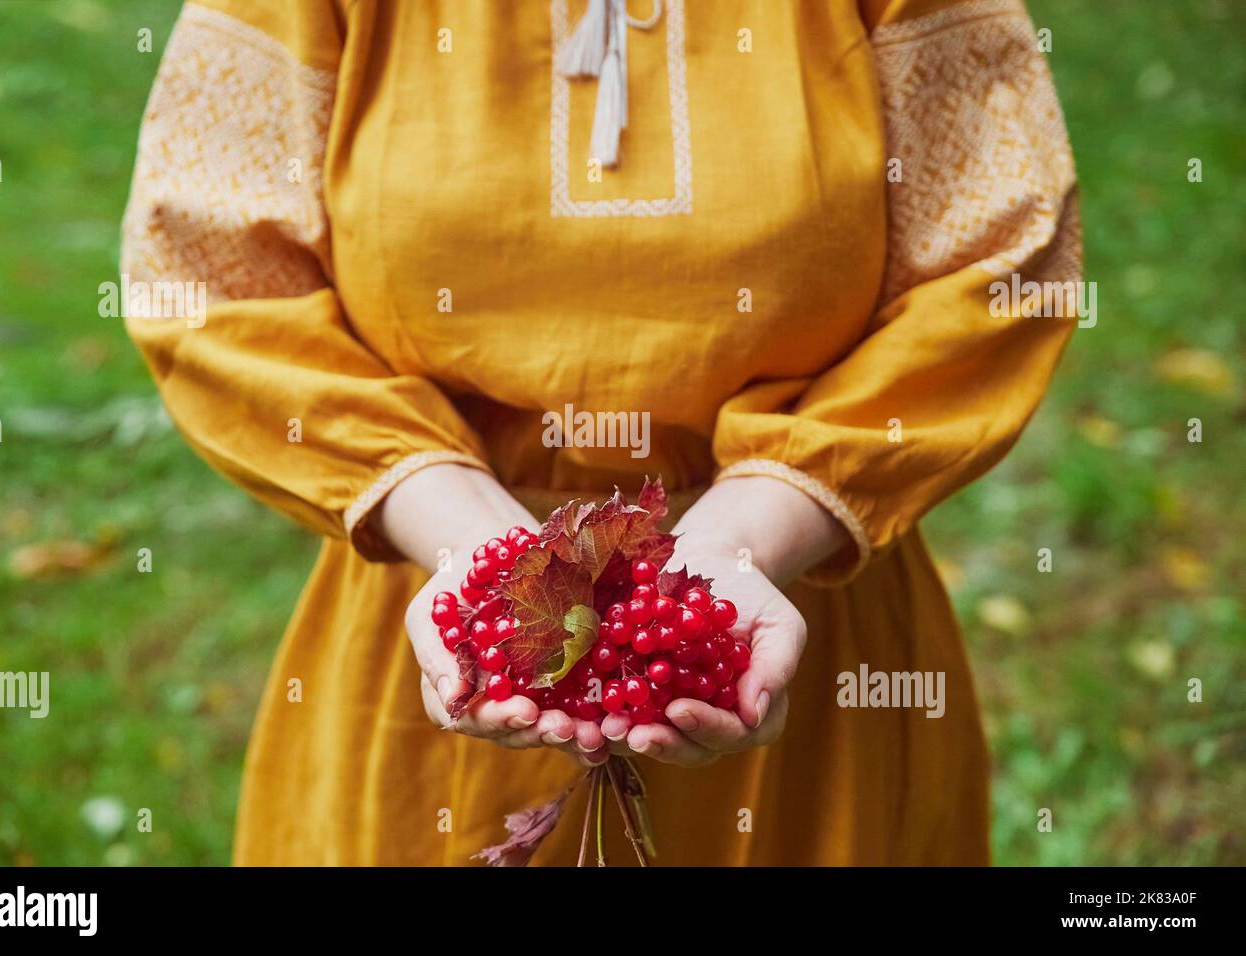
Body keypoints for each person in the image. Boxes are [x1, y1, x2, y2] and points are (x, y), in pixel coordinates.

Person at [121, 0, 1080, 865]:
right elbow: (215, 282)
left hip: (786, 613)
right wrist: (476, 548)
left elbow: (998, 263)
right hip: (442, 609)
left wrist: (744, 538)